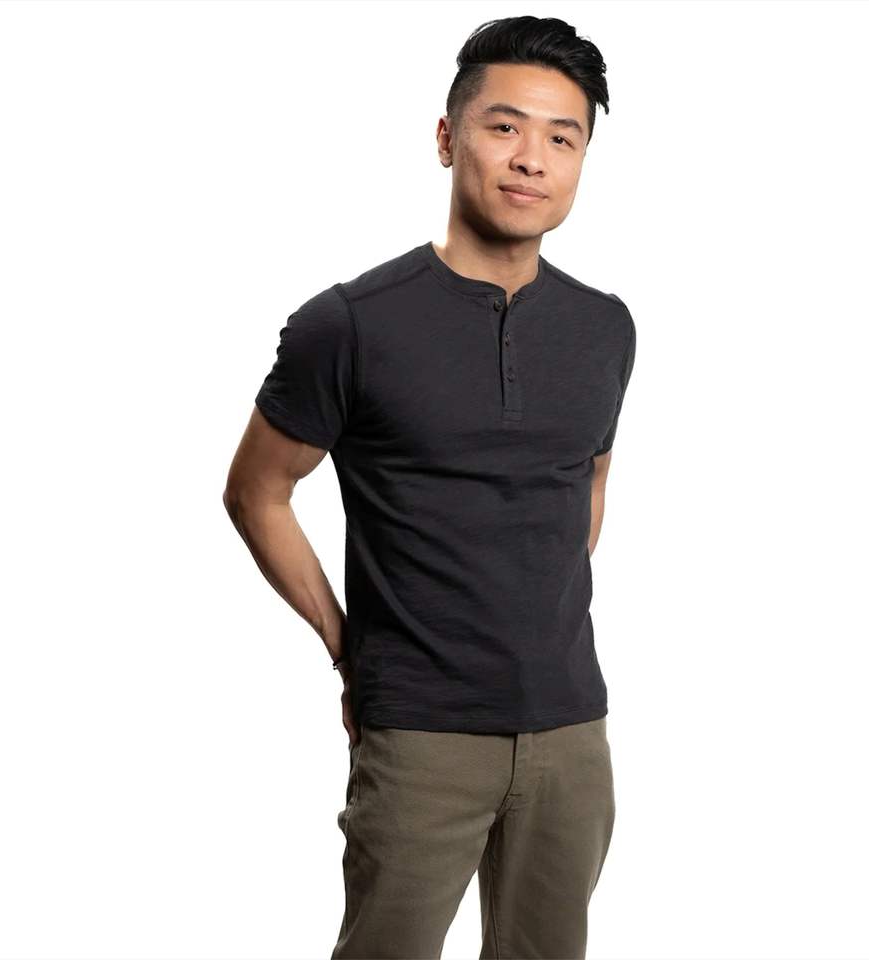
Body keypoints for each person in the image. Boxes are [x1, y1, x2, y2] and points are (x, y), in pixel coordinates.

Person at [222, 15, 638, 960]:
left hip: (572, 730)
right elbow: (256, 492)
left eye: (562, 138)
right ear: (448, 137)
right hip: (420, 734)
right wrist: (347, 646)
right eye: (505, 126)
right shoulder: (348, 324)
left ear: (582, 160)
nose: (532, 158)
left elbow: (586, 486)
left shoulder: (605, 327)